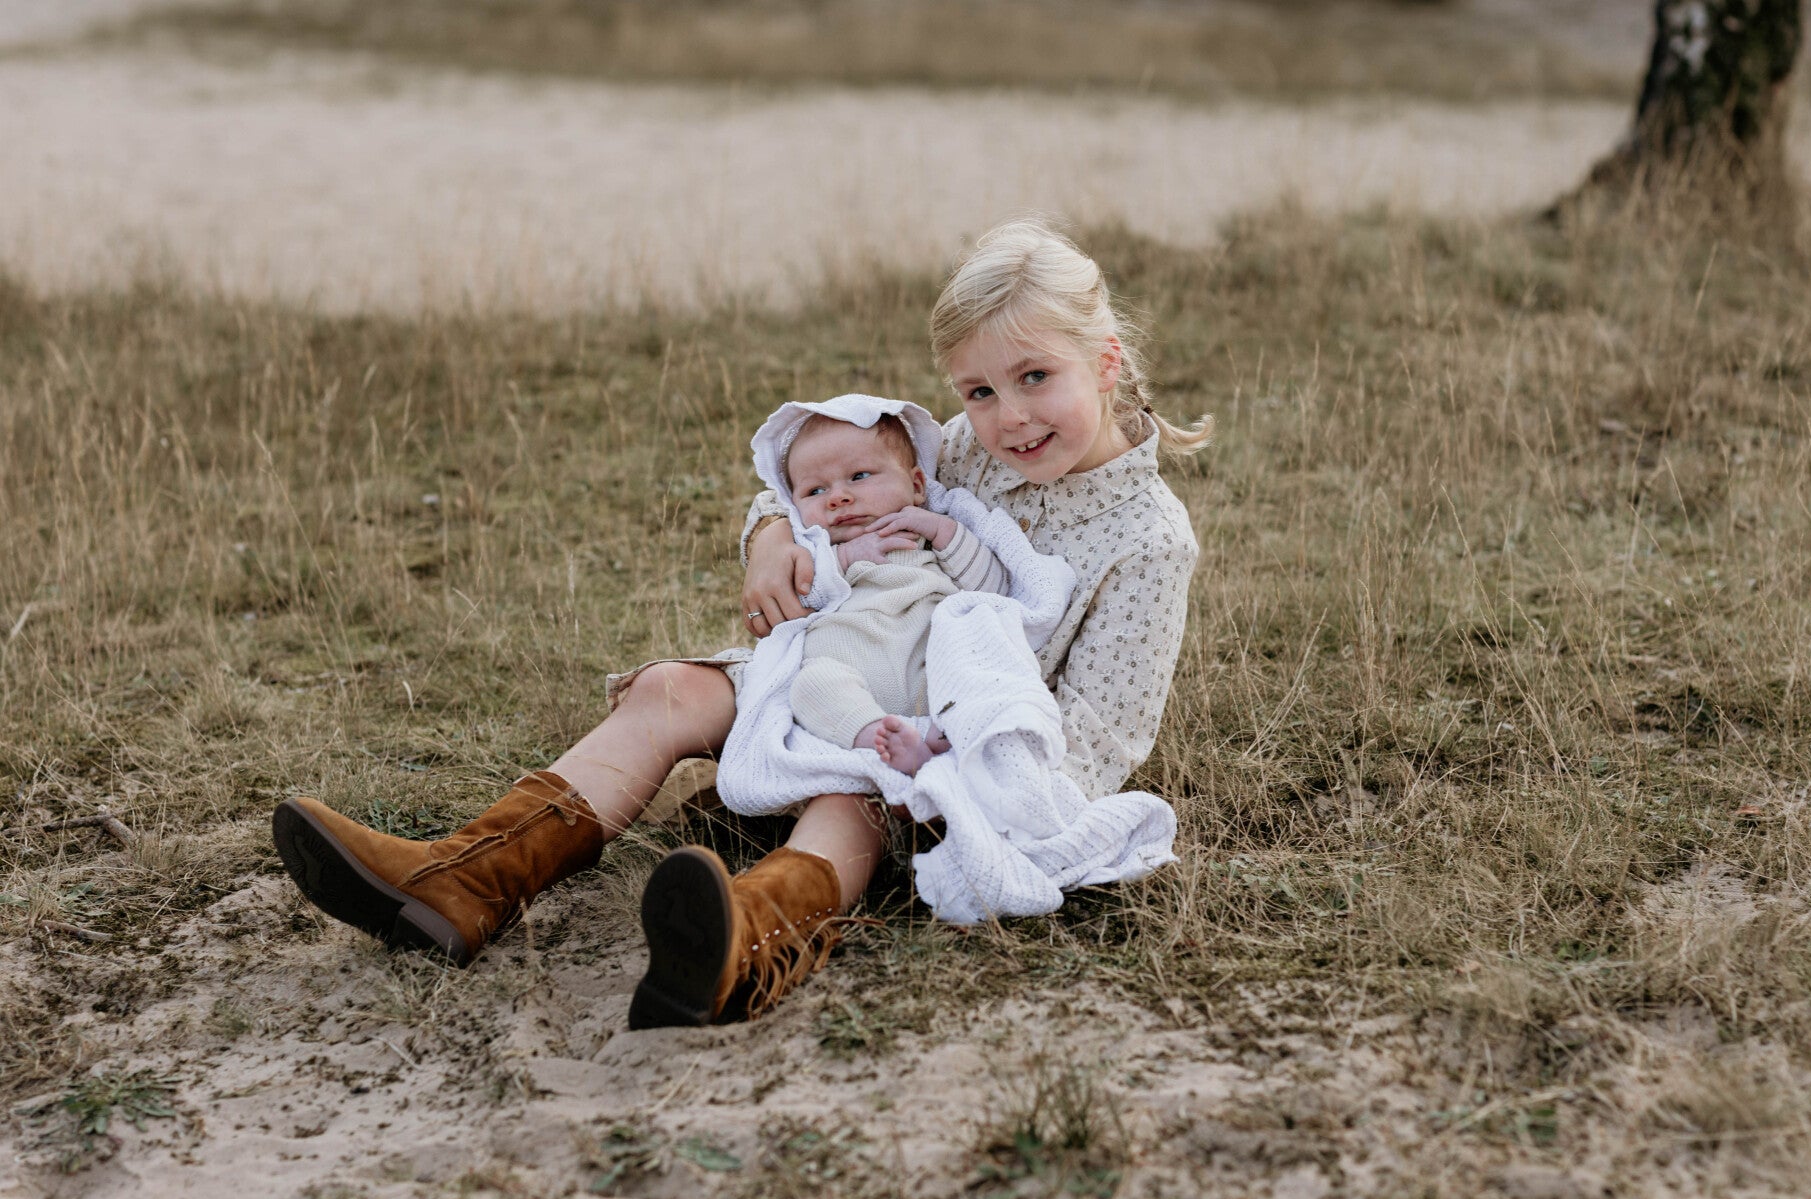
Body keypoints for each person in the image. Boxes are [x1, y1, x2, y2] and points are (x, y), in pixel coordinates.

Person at [270, 216, 1209, 1023]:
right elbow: (828, 482)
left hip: (946, 751)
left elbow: (1098, 739)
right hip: (840, 662)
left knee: (847, 794)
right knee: (670, 690)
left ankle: (745, 941)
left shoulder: (1147, 539)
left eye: (1036, 376)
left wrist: (933, 766)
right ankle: (464, 881)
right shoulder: (965, 449)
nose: (1011, 418)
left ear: (1106, 361)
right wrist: (769, 539)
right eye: (980, 391)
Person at [781, 406, 1009, 777]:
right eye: (815, 490)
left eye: (859, 476)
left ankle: (947, 729)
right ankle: (879, 737)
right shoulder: (814, 551)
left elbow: (994, 590)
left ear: (916, 486)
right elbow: (796, 598)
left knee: (982, 663)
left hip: (930, 669)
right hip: (851, 672)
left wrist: (942, 531)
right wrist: (842, 558)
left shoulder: (933, 533)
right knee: (810, 684)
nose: (837, 497)